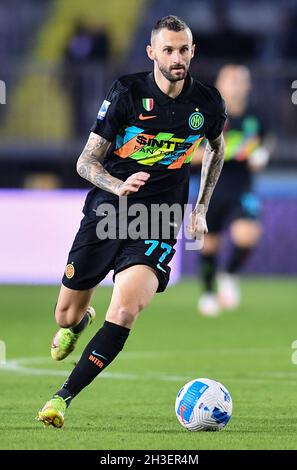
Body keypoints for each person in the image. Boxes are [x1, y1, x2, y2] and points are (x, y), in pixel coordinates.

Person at [37, 15, 226, 428]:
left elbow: (217, 147)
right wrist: (117, 184)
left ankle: (62, 398)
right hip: (107, 212)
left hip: (157, 219)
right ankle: (78, 322)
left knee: (124, 311)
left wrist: (200, 208)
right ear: (152, 53)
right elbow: (85, 161)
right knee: (66, 316)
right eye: (168, 50)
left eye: (184, 49)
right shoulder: (127, 92)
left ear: (193, 51)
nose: (177, 57)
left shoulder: (208, 102)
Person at [195, 64, 269, 316]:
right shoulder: (207, 115)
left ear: (248, 86)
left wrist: (263, 153)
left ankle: (229, 274)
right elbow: (189, 154)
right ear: (220, 84)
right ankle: (207, 293)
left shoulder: (256, 116)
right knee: (208, 246)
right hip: (210, 189)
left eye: (240, 81)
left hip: (241, 187)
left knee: (248, 235)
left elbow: (266, 141)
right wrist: (228, 153)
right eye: (231, 80)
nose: (236, 85)